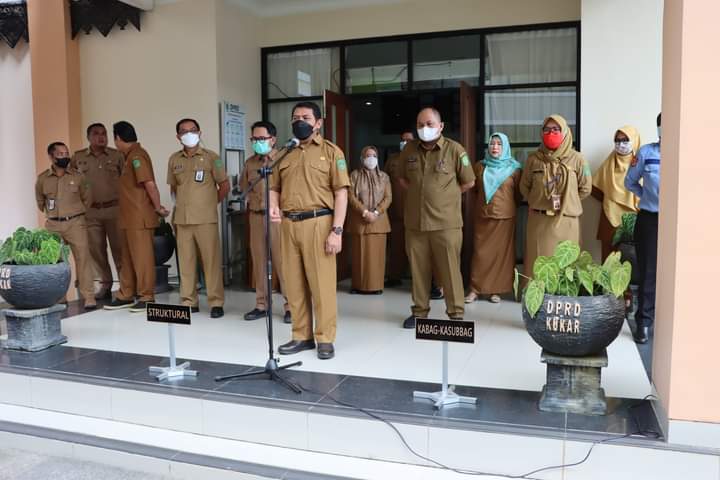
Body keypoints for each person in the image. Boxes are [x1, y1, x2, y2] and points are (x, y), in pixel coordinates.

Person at [269, 101, 350, 360]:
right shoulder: (284, 153)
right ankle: (301, 336)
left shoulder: (331, 152)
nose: (299, 122)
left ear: (318, 123)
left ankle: (325, 338)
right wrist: (273, 206)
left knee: (322, 285)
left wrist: (337, 230)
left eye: (305, 117)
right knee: (293, 284)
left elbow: (341, 193)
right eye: (295, 118)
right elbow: (274, 187)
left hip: (320, 223)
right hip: (288, 224)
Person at [398, 107, 476, 329]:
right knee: (418, 271)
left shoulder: (454, 150)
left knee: (450, 270)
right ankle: (419, 312)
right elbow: (402, 179)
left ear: (440, 126)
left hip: (446, 224)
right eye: (420, 125)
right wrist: (421, 194)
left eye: (430, 124)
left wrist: (446, 195)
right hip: (416, 223)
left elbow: (469, 181)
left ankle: (456, 314)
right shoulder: (409, 150)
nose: (425, 128)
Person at [167, 118, 229, 318]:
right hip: (182, 220)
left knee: (211, 263)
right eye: (184, 131)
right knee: (186, 263)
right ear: (178, 136)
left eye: (193, 130)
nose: (189, 134)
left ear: (200, 133)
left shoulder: (212, 157)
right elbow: (174, 188)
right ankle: (189, 301)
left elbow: (224, 186)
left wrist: (209, 204)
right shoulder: (174, 159)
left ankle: (216, 302)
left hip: (205, 219)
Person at [105, 121, 169, 313]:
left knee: (142, 259)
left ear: (118, 138)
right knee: (127, 259)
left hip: (139, 217)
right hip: (128, 217)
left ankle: (146, 296)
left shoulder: (138, 156)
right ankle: (126, 294)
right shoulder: (128, 157)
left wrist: (158, 208)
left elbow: (149, 184)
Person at [520, 115, 592, 282]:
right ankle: (537, 296)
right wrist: (537, 200)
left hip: (567, 222)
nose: (550, 133)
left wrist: (568, 201)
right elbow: (524, 186)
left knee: (566, 268)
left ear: (565, 132)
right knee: (538, 268)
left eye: (555, 129)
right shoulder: (533, 159)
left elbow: (586, 188)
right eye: (546, 130)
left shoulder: (578, 159)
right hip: (539, 221)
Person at [239, 120, 291, 323]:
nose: (257, 142)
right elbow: (244, 187)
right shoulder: (250, 163)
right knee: (259, 262)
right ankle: (262, 304)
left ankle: (291, 306)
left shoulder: (284, 159)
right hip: (256, 216)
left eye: (262, 138)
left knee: (283, 262)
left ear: (273, 139)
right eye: (254, 139)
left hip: (278, 218)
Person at [35, 142, 96, 310]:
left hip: (76, 223)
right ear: (51, 157)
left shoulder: (78, 176)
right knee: (57, 262)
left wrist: (77, 213)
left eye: (66, 153)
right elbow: (40, 202)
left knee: (83, 259)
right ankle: (60, 297)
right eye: (60, 154)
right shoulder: (42, 179)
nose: (65, 157)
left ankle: (89, 296)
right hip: (53, 225)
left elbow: (87, 198)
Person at [465, 132, 522, 304]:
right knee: (480, 254)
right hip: (483, 215)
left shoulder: (515, 169)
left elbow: (518, 195)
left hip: (505, 217)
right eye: (492, 143)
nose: (495, 147)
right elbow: (474, 190)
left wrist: (505, 205)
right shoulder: (480, 166)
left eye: (499, 144)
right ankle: (475, 289)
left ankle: (495, 291)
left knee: (501, 256)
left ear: (505, 147)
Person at [71, 123, 125, 301]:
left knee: (120, 250)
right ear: (88, 137)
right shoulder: (78, 158)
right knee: (96, 251)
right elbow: (71, 182)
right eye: (96, 134)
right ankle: (106, 285)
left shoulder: (117, 156)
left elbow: (127, 181)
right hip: (91, 212)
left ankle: (126, 286)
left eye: (104, 133)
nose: (101, 137)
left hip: (114, 210)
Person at [624, 113, 661, 344]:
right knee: (649, 272)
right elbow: (629, 181)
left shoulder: (687, 153)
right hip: (650, 219)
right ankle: (644, 323)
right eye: (662, 126)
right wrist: (645, 195)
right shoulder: (646, 153)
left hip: (679, 222)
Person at [592, 126, 641, 260]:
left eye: (625, 140)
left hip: (634, 221)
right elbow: (594, 188)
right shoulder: (609, 164)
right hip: (610, 220)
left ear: (634, 140)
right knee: (608, 262)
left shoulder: (641, 165)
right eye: (617, 141)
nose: (621, 144)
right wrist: (611, 200)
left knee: (632, 263)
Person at [348, 145, 392, 294]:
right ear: (362, 158)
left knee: (377, 257)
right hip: (359, 221)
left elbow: (388, 197)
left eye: (374, 156)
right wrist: (365, 212)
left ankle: (376, 286)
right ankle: (357, 286)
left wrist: (376, 212)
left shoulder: (384, 177)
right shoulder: (354, 175)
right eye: (368, 156)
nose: (371, 158)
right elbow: (351, 196)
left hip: (379, 222)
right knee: (358, 256)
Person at [384, 129, 414, 287]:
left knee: (418, 248)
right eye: (403, 140)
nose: (405, 143)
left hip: (416, 213)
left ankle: (421, 279)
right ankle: (394, 276)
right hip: (396, 211)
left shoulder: (420, 158)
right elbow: (383, 181)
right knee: (396, 247)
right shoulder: (392, 160)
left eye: (409, 140)